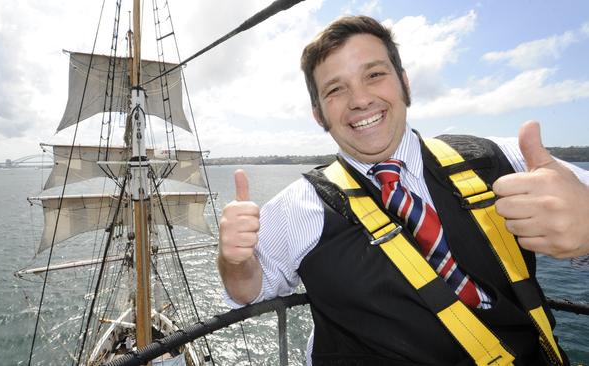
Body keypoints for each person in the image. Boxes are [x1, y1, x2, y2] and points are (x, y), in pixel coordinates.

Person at [217, 15, 589, 366]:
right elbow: (247, 289)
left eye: (375, 75)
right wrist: (235, 262)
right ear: (318, 114)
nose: (360, 99)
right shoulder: (296, 208)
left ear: (405, 83)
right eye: (335, 89)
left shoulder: (503, 159)